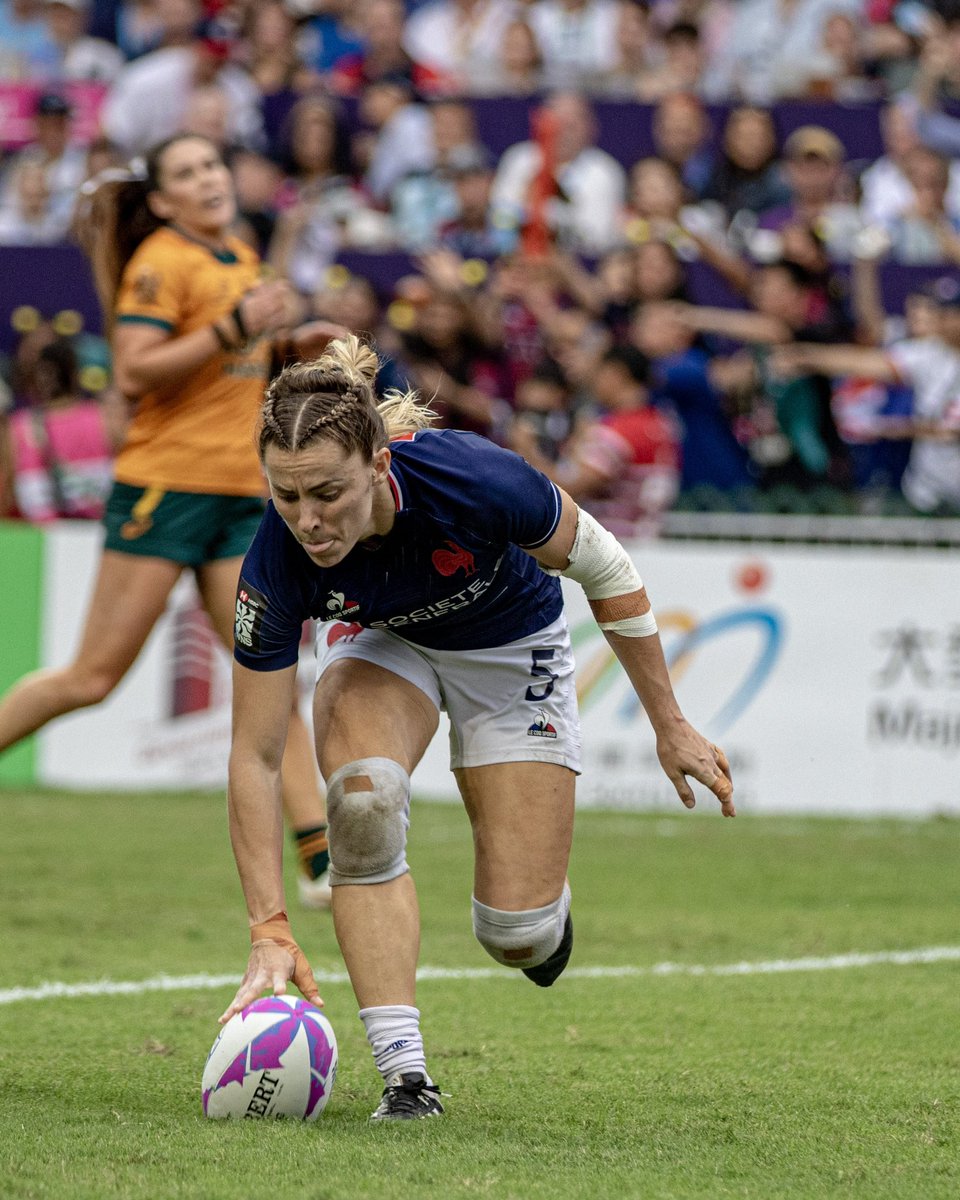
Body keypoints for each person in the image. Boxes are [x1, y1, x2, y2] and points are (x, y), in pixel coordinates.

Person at [218, 334, 734, 1120]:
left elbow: (609, 571)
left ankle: (539, 919)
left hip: (510, 648)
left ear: (380, 466)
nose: (308, 521)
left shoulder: (474, 477)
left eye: (326, 493)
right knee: (360, 802)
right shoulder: (275, 564)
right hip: (385, 644)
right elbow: (255, 758)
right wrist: (269, 926)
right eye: (286, 497)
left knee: (517, 935)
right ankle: (406, 1078)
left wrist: (670, 724)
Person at [0, 133, 335, 907]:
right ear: (160, 200)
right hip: (166, 489)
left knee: (269, 673)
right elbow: (133, 368)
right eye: (187, 172)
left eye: (213, 164)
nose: (209, 178)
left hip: (237, 496)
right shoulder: (162, 260)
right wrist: (240, 324)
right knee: (91, 678)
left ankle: (321, 862)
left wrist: (288, 343)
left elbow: (232, 368)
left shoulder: (237, 253)